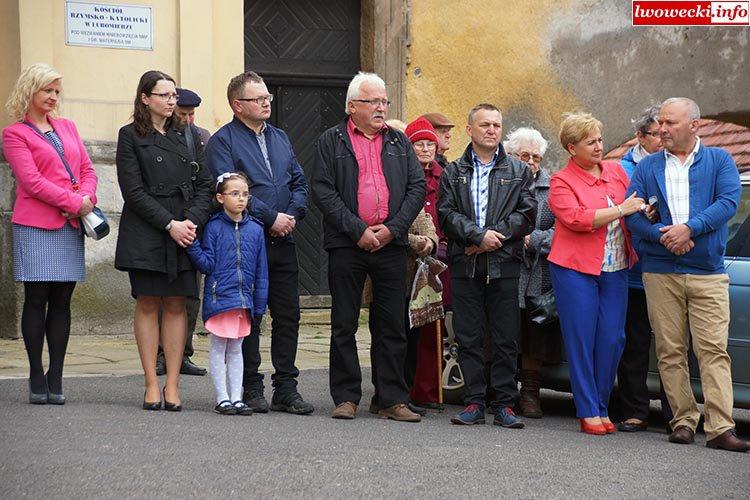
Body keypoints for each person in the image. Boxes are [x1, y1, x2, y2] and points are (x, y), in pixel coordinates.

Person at [627, 97, 749, 452]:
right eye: (660, 123)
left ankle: (720, 428)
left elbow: (728, 202)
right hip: (660, 271)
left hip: (707, 273)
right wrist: (665, 236)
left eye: (670, 123)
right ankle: (682, 421)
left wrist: (689, 230)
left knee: (713, 350)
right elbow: (633, 214)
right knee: (669, 350)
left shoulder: (719, 160)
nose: (662, 129)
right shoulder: (648, 166)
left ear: (694, 125)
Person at [310, 72, 426, 422]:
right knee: (344, 322)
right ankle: (346, 397)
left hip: (391, 246)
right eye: (373, 101)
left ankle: (391, 398)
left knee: (391, 325)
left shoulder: (398, 142)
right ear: (352, 106)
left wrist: (393, 229)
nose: (381, 107)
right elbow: (323, 190)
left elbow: (416, 188)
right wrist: (358, 230)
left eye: (384, 101)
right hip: (347, 244)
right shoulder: (331, 141)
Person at [206, 71, 313, 415]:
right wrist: (271, 218)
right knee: (249, 314)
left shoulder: (280, 137)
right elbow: (232, 190)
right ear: (238, 105)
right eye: (258, 98)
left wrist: (291, 215)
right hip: (246, 240)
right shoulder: (223, 142)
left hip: (284, 239)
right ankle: (251, 385)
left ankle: (286, 387)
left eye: (267, 97)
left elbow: (298, 181)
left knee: (288, 314)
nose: (267, 102)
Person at [115, 70, 214, 411]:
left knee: (177, 303)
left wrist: (191, 222)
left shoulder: (188, 135)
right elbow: (133, 191)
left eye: (174, 95)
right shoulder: (129, 136)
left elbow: (206, 186)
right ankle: (150, 383)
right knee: (147, 301)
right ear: (145, 98)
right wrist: (169, 224)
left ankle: (173, 384)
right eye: (164, 95)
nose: (172, 101)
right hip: (147, 229)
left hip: (184, 228)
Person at [3, 63, 99, 404]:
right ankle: (34, 374)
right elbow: (31, 182)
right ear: (30, 91)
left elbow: (87, 169)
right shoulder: (15, 134)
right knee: (36, 298)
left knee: (62, 300)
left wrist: (86, 198)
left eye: (57, 91)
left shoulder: (68, 127)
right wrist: (76, 202)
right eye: (47, 90)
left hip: (69, 224)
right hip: (36, 225)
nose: (54, 97)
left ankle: (55, 376)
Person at [437, 104, 537, 429]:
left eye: (496, 125)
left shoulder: (519, 171)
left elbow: (527, 213)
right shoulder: (453, 172)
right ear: (470, 130)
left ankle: (505, 404)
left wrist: (498, 237)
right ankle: (474, 402)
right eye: (485, 124)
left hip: (504, 264)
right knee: (468, 335)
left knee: (506, 336)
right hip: (466, 264)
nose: (492, 130)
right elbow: (446, 214)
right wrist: (477, 236)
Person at [547, 112, 642, 435]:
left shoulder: (616, 172)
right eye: (591, 142)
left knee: (613, 338)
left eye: (600, 140)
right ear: (572, 148)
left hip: (615, 266)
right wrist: (620, 210)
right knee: (582, 339)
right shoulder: (561, 181)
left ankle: (601, 405)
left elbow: (634, 204)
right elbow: (575, 218)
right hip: (574, 269)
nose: (599, 146)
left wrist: (645, 209)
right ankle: (588, 410)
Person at [186, 172, 268, 415]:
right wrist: (192, 246)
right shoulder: (213, 227)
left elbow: (261, 271)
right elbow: (207, 264)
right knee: (219, 346)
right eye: (234, 194)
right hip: (220, 299)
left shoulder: (256, 229)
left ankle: (237, 397)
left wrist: (260, 306)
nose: (241, 199)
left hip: (244, 301)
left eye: (245, 194)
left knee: (236, 349)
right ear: (220, 198)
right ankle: (222, 397)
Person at [616, 103, 670, 432]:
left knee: (671, 343)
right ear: (640, 136)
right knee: (635, 343)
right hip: (633, 272)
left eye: (667, 133)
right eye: (656, 134)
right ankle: (634, 409)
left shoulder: (675, 165)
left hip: (668, 267)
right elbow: (620, 211)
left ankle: (674, 414)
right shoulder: (621, 169)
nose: (663, 139)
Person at [503, 127, 560, 419]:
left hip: (540, 270)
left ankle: (530, 395)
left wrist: (533, 239)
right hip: (507, 266)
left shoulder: (553, 187)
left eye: (537, 156)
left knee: (536, 334)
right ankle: (503, 392)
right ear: (512, 155)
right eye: (525, 155)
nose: (532, 162)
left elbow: (562, 227)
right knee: (504, 331)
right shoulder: (503, 181)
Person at [155, 86, 211, 377]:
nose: (188, 119)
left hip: (193, 222)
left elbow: (207, 181)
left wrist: (194, 218)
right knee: (161, 292)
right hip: (164, 221)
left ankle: (183, 351)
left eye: (191, 114)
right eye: (183, 113)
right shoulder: (156, 135)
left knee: (191, 293)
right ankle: (159, 353)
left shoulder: (201, 137)